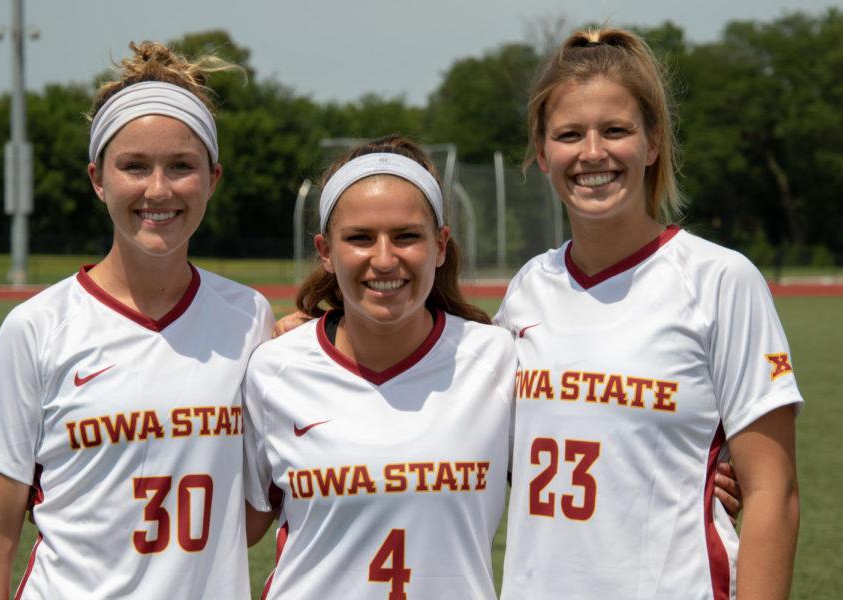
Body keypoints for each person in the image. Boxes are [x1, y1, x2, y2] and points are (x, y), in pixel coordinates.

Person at [0, 42, 273, 598]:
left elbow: (255, 506)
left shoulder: (250, 318)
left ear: (213, 179)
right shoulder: (37, 328)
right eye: (134, 167)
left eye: (181, 167)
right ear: (99, 179)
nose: (158, 190)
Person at [497, 27, 802, 599]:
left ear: (652, 142)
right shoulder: (526, 290)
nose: (593, 153)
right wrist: (318, 333)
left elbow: (773, 493)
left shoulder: (719, 280)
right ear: (542, 153)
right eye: (569, 135)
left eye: (616, 130)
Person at [243, 136, 516, 598]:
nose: (384, 259)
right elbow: (240, 530)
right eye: (360, 238)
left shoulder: (496, 360)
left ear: (441, 245)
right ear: (326, 251)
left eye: (407, 236)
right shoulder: (275, 369)